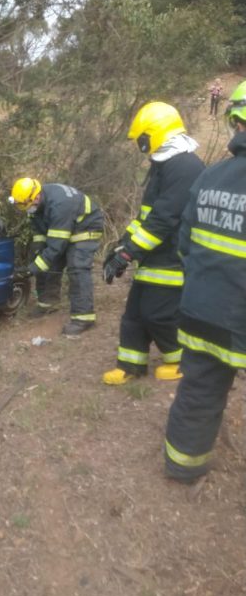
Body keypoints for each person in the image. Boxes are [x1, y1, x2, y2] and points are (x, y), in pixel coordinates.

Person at [164, 80, 246, 482]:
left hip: (202, 311)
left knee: (199, 390)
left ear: (235, 122)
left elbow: (184, 245)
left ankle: (183, 466)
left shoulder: (209, 177)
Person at [102, 101, 205, 385]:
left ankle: (181, 360)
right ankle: (131, 365)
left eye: (142, 139)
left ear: (155, 133)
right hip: (155, 254)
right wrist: (122, 244)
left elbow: (164, 219)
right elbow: (146, 216)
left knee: (159, 314)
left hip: (173, 256)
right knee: (134, 313)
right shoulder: (166, 164)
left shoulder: (185, 166)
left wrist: (128, 254)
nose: (141, 146)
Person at [8, 178, 103, 336]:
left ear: (36, 198)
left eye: (26, 206)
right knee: (47, 262)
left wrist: (32, 269)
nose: (26, 209)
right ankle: (48, 303)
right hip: (63, 228)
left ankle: (83, 318)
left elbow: (55, 247)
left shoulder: (60, 206)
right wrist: (37, 252)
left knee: (77, 267)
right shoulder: (34, 203)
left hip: (85, 227)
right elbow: (39, 231)